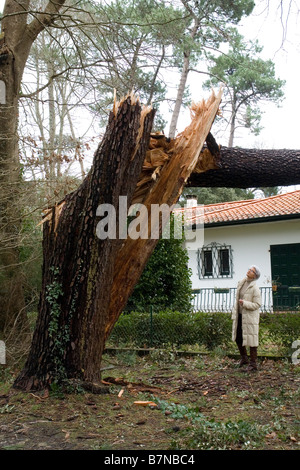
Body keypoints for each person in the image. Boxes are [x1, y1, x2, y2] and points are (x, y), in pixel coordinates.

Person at [232, 266, 262, 372]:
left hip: (249, 317)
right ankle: (244, 359)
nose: (248, 270)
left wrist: (245, 303)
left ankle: (253, 364)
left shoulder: (255, 288)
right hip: (239, 315)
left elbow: (257, 304)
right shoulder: (242, 282)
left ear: (255, 275)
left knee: (252, 340)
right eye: (249, 269)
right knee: (238, 337)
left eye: (251, 270)